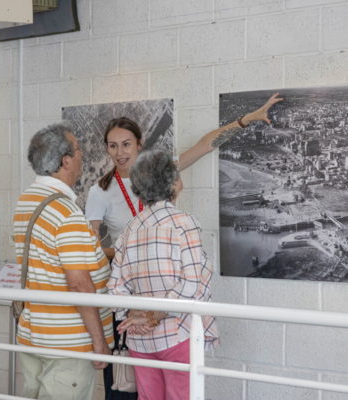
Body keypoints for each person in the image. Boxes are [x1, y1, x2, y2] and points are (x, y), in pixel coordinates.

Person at [85, 93, 282, 399]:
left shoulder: (159, 174)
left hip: (163, 293)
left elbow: (205, 146)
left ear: (139, 144)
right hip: (133, 294)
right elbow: (91, 248)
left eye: (125, 144)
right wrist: (138, 251)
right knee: (129, 386)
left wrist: (247, 119)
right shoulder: (100, 190)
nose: (119, 152)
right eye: (112, 145)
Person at [13, 122, 114, 400]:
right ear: (66, 161)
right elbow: (79, 284)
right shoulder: (65, 212)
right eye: (79, 149)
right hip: (68, 343)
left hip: (34, 334)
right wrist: (98, 342)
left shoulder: (26, 201)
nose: (83, 156)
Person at [108, 149, 218, 400]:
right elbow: (192, 283)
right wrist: (152, 316)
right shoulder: (183, 223)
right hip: (177, 333)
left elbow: (115, 288)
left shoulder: (130, 228)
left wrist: (134, 316)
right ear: (173, 182)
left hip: (139, 338)